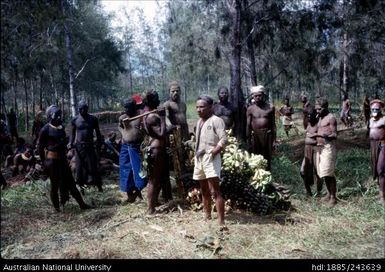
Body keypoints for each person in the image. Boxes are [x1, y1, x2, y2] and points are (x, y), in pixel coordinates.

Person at [37, 105, 91, 212]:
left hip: (62, 160)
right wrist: (44, 162)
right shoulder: (45, 129)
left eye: (59, 115)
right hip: (52, 161)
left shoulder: (61, 128)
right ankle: (57, 210)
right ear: (50, 116)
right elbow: (40, 147)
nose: (59, 117)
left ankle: (82, 204)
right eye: (56, 115)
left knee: (71, 183)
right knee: (54, 185)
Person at [194, 95, 227, 227]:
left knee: (215, 190)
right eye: (197, 107)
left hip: (211, 157)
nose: (199, 109)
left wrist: (214, 152)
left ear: (210, 107)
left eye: (202, 107)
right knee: (204, 189)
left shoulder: (216, 120)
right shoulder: (199, 121)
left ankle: (221, 221)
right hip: (199, 158)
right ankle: (207, 215)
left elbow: (224, 139)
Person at [143, 90, 172, 214]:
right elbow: (161, 134)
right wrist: (163, 117)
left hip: (156, 149)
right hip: (156, 150)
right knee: (154, 180)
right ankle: (150, 209)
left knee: (158, 179)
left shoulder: (147, 115)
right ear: (150, 101)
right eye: (156, 99)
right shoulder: (152, 117)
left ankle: (154, 204)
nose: (159, 101)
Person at [68, 101, 103, 192]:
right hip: (79, 146)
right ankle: (81, 186)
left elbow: (98, 132)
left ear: (87, 109)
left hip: (90, 145)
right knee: (79, 167)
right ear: (78, 109)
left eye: (84, 109)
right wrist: (70, 143)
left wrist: (99, 142)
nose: (82, 110)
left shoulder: (93, 119)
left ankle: (98, 185)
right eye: (80, 109)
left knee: (93, 166)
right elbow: (72, 133)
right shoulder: (75, 120)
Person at [118, 98, 147, 203]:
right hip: (125, 148)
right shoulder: (122, 118)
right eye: (125, 107)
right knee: (127, 172)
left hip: (137, 148)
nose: (126, 110)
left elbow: (145, 130)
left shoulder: (140, 117)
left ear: (134, 108)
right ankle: (130, 195)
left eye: (128, 108)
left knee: (140, 172)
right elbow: (120, 127)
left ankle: (138, 192)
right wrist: (124, 133)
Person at [310, 98, 338, 206]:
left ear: (326, 107)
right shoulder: (320, 117)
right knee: (323, 172)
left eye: (319, 109)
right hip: (320, 147)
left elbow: (335, 135)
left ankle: (333, 197)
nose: (317, 111)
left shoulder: (331, 118)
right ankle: (328, 193)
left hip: (328, 147)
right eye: (316, 109)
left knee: (329, 173)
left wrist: (318, 135)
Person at [246, 85, 276, 170]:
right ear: (253, 96)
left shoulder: (270, 107)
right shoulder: (250, 109)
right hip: (255, 136)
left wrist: (274, 140)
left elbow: (273, 124)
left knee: (267, 157)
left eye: (260, 95)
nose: (258, 97)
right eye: (256, 96)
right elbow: (248, 126)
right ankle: (257, 177)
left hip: (267, 135)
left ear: (263, 96)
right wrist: (248, 141)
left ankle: (267, 175)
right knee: (256, 157)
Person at [300, 108, 322, 196]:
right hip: (307, 149)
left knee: (318, 172)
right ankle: (308, 191)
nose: (309, 117)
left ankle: (319, 191)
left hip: (316, 149)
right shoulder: (308, 124)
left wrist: (314, 135)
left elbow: (323, 135)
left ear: (315, 115)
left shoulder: (319, 124)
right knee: (303, 171)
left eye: (310, 115)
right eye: (308, 116)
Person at [368, 99, 385, 204]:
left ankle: (383, 197)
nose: (374, 110)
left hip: (383, 145)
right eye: (373, 109)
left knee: (381, 170)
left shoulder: (384, 119)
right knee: (376, 170)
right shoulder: (370, 120)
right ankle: (380, 194)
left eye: (377, 109)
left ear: (380, 109)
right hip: (373, 146)